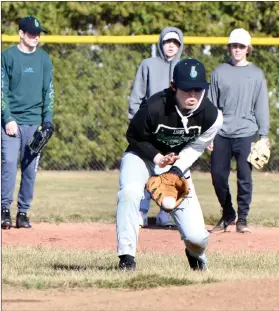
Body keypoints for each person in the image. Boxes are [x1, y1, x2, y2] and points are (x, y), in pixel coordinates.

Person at [116, 58, 223, 271]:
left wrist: (174, 170)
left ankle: (194, 254)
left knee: (197, 237)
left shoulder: (212, 116)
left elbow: (197, 147)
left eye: (198, 89)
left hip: (176, 164)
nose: (192, 95)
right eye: (186, 89)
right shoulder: (154, 107)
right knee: (129, 193)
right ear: (174, 86)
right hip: (142, 157)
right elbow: (133, 136)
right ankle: (126, 258)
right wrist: (156, 158)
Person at [208, 28, 270, 233]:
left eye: (241, 46)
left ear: (248, 49)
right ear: (229, 47)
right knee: (217, 175)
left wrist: (264, 135)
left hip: (246, 132)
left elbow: (261, 106)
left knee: (245, 176)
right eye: (234, 45)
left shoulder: (256, 74)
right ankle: (228, 214)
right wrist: (208, 134)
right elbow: (211, 106)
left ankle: (242, 219)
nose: (237, 49)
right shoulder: (218, 73)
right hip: (221, 132)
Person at [1, 16, 54, 229]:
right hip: (11, 123)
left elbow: (48, 92)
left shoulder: (44, 59)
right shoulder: (8, 56)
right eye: (32, 33)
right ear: (21, 33)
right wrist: (7, 118)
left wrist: (47, 121)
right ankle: (4, 209)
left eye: (38, 34)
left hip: (34, 124)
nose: (36, 37)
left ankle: (23, 212)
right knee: (9, 164)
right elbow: (1, 90)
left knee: (30, 169)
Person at [128, 26, 184, 228]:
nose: (171, 45)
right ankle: (141, 212)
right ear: (161, 43)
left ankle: (165, 214)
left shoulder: (183, 67)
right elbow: (136, 97)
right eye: (167, 42)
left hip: (173, 130)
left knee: (169, 172)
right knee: (145, 170)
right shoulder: (148, 64)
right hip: (149, 128)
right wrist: (136, 124)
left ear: (180, 45)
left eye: (175, 42)